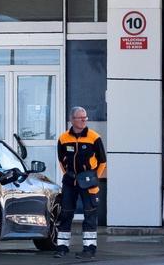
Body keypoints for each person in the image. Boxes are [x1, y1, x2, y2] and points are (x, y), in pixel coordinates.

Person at [55, 106, 107, 260]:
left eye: (85, 117)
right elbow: (61, 159)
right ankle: (62, 247)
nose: (84, 120)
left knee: (90, 214)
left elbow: (102, 161)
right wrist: (68, 175)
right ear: (72, 119)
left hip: (89, 181)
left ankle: (89, 249)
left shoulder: (94, 137)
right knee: (65, 213)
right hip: (70, 181)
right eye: (81, 117)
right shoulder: (63, 138)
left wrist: (93, 178)